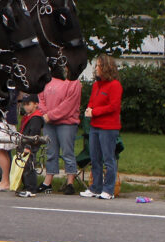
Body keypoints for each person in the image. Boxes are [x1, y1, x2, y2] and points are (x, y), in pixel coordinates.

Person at [81, 54, 123, 200]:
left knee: (108, 158)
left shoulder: (115, 85)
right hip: (95, 126)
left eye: (99, 65)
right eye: (96, 66)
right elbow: (92, 101)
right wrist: (89, 109)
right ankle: (95, 188)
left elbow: (113, 106)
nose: (96, 68)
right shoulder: (96, 85)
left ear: (106, 68)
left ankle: (109, 190)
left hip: (108, 127)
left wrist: (95, 112)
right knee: (95, 158)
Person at [39, 72, 82, 195]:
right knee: (50, 152)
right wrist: (46, 114)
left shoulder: (73, 82)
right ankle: (47, 182)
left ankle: (70, 183)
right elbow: (40, 98)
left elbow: (69, 105)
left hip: (67, 123)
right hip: (49, 122)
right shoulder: (47, 80)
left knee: (68, 152)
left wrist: (51, 115)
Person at [11, 94, 45, 198]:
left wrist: (28, 146)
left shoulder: (36, 118)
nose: (26, 107)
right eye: (24, 104)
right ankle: (26, 186)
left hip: (30, 145)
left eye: (28, 104)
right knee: (23, 167)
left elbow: (34, 134)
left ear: (36, 104)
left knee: (29, 166)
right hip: (25, 144)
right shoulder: (28, 116)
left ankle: (31, 188)